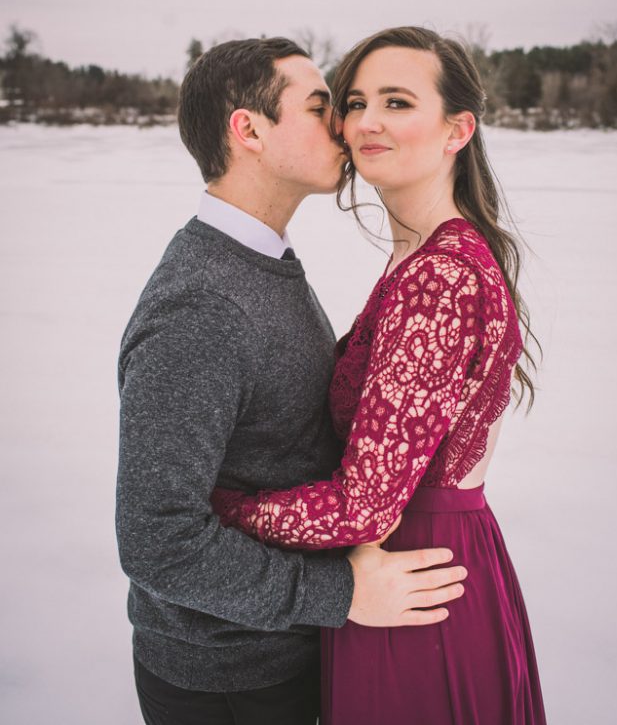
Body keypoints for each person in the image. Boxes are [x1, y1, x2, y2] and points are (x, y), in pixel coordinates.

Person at [116, 37, 467, 725]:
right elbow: (157, 539)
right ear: (247, 130)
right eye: (319, 107)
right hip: (229, 681)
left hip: (283, 656)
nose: (343, 124)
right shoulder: (200, 307)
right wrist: (338, 593)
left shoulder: (261, 262)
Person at [211, 27, 547, 724]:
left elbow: (365, 506)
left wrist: (219, 508)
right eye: (355, 101)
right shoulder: (424, 254)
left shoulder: (440, 278)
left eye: (397, 102)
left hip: (414, 585)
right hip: (405, 571)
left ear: (458, 128)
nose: (365, 121)